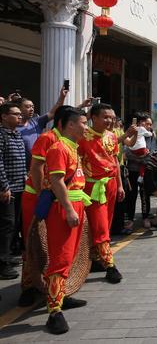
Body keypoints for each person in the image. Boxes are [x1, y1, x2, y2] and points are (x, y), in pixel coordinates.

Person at [43, 107, 91, 334]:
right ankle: (54, 312)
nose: (86, 127)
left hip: (76, 205)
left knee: (69, 257)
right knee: (60, 259)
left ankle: (62, 296)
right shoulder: (58, 148)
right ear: (70, 125)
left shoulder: (73, 147)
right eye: (83, 122)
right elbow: (57, 182)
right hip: (64, 208)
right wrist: (70, 209)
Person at [17, 105, 72, 305]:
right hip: (37, 197)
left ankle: (57, 290)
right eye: (78, 123)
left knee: (54, 245)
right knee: (33, 239)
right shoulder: (48, 138)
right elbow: (37, 167)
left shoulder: (68, 142)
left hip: (54, 197)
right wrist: (42, 193)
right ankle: (29, 286)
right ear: (64, 123)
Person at [78, 103, 124, 284]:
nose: (110, 120)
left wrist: (120, 185)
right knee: (99, 226)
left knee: (106, 223)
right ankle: (110, 265)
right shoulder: (83, 136)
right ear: (93, 118)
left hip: (110, 184)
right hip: (92, 187)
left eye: (112, 117)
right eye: (105, 117)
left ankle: (96, 258)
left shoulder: (112, 136)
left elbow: (115, 161)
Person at [0, 102, 26, 280]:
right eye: (16, 114)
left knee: (15, 224)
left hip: (20, 187)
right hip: (7, 189)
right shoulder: (1, 135)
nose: (20, 117)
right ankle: (2, 264)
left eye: (20, 114)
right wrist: (4, 186)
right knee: (6, 226)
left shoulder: (16, 134)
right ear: (4, 116)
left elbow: (21, 161)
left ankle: (8, 256)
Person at [14, 87, 69, 166]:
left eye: (32, 107)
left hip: (37, 167)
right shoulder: (11, 127)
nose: (31, 109)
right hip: (20, 168)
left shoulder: (36, 122)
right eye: (27, 107)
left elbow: (53, 113)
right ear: (19, 109)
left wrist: (62, 97)